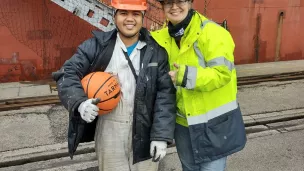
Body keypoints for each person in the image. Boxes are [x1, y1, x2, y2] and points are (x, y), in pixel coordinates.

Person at [52, 0, 176, 170]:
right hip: (109, 128)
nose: (129, 19)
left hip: (146, 129)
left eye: (135, 14)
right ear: (114, 15)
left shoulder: (157, 52)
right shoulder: (97, 46)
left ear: (143, 17)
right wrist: (80, 103)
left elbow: (165, 95)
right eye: (124, 13)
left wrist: (161, 135)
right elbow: (67, 73)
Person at [151, 0, 247, 170]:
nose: (174, 7)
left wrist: (187, 76)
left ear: (190, 2)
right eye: (168, 2)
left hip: (213, 126)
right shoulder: (160, 38)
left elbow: (222, 73)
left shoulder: (213, 33)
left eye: (179, 1)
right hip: (183, 125)